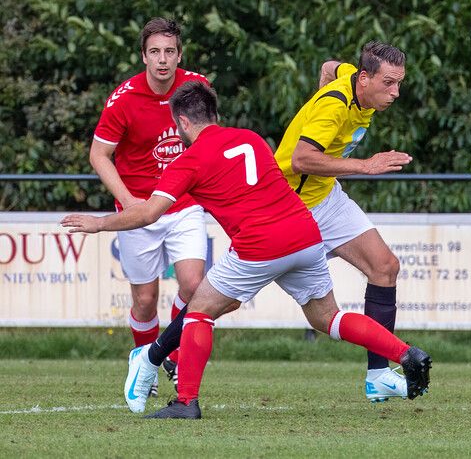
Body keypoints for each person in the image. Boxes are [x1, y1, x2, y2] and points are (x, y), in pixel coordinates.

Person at [61, 81, 432, 419]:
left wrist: (98, 223)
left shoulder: (187, 161)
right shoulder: (251, 138)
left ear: (183, 122)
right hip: (305, 234)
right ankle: (405, 353)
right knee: (328, 318)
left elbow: (147, 213)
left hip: (259, 244)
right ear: (215, 116)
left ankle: (185, 401)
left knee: (199, 309)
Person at [273, 41, 412, 402]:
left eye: (399, 83)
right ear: (366, 78)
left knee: (385, 267)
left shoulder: (353, 77)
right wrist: (366, 165)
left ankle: (379, 376)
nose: (395, 92)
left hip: (326, 198)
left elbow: (329, 65)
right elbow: (303, 159)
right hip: (288, 209)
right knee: (226, 300)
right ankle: (153, 354)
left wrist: (317, 93)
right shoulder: (334, 107)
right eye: (389, 83)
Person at [90, 17, 213, 394]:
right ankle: (144, 364)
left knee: (194, 286)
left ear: (180, 55)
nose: (163, 59)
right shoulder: (123, 99)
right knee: (144, 302)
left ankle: (171, 358)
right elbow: (99, 155)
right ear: (143, 56)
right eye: (155, 52)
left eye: (169, 52)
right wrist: (128, 202)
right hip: (140, 208)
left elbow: (211, 141)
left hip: (183, 204)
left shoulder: (197, 88)